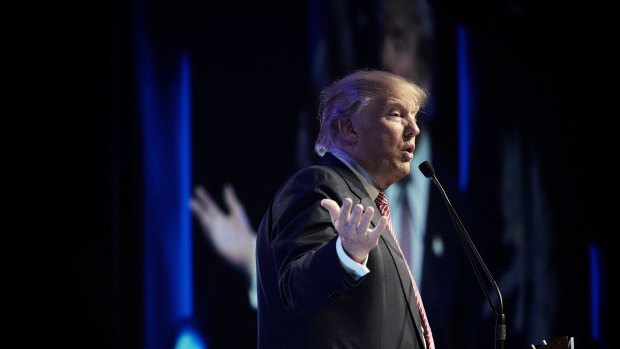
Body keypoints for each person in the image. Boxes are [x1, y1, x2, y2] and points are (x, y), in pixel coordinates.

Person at [255, 69, 433, 348]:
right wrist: (345, 255)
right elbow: (296, 289)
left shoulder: (368, 202)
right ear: (349, 129)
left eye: (414, 116)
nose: (414, 128)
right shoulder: (317, 185)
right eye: (396, 114)